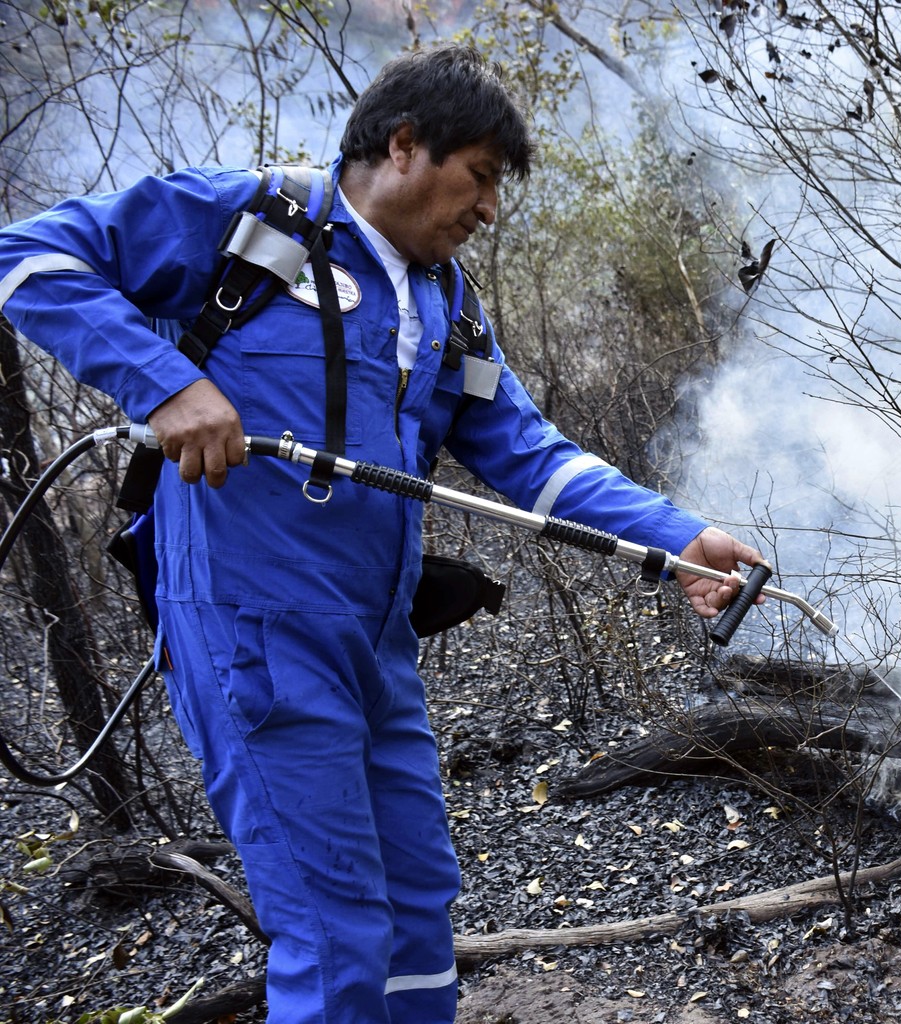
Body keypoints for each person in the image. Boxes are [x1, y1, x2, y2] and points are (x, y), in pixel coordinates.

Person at [0, 44, 761, 1022]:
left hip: (377, 640)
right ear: (405, 145)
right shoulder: (255, 224)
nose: (489, 210)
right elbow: (30, 258)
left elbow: (527, 453)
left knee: (415, 905)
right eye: (481, 177)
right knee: (333, 923)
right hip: (254, 635)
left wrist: (679, 535)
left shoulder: (446, 305)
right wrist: (171, 386)